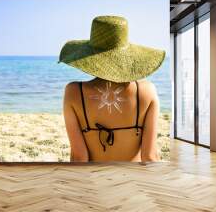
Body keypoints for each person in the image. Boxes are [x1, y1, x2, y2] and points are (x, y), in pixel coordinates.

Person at [58, 15, 165, 162]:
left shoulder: (74, 92)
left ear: (90, 57)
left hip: (93, 181)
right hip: (133, 181)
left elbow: (80, 158)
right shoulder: (147, 91)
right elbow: (150, 157)